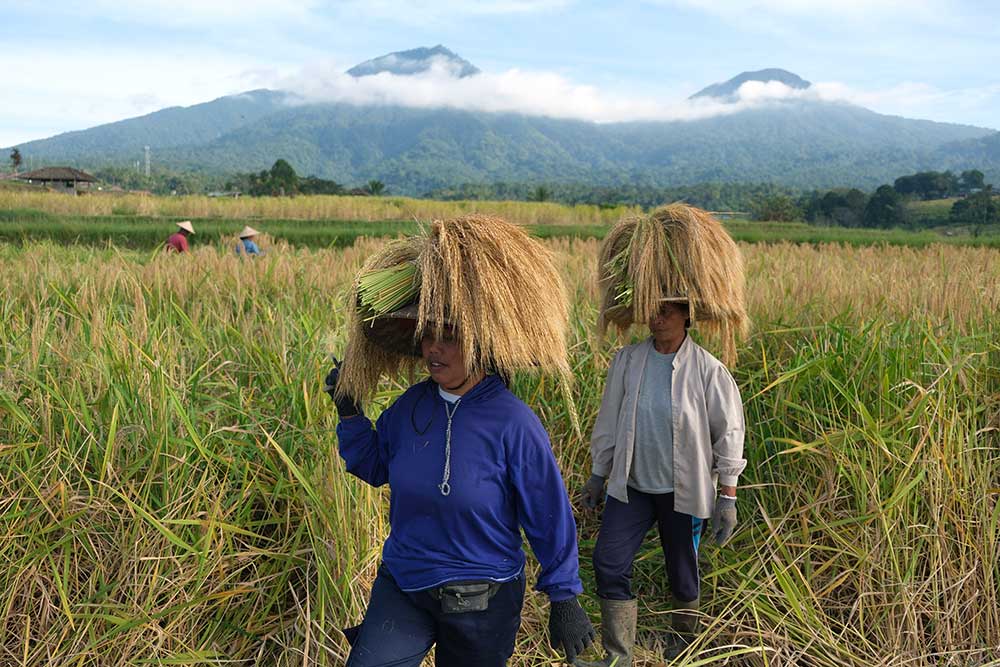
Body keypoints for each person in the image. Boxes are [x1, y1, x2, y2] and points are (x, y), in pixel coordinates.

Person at [327, 214, 595, 667]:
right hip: (405, 583)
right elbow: (374, 467)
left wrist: (564, 596)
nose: (434, 348)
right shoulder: (411, 407)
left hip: (481, 599)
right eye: (428, 335)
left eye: (448, 335)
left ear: (480, 341)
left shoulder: (514, 423)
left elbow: (547, 513)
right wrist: (351, 413)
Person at [579, 204, 749, 664]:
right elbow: (609, 423)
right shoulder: (627, 362)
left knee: (683, 571)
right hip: (631, 486)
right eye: (651, 310)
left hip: (682, 488)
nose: (657, 319)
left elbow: (728, 435)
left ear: (686, 314)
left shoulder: (708, 372)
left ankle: (683, 640)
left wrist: (728, 497)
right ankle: (620, 652)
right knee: (608, 562)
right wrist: (598, 476)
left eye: (667, 311)